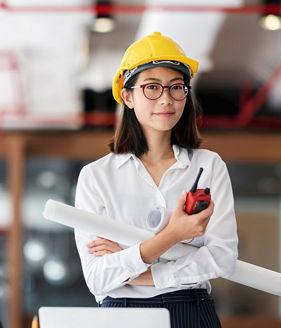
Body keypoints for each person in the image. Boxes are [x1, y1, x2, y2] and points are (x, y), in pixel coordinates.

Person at [75, 32, 238, 328]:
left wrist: (136, 267)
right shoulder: (96, 177)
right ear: (127, 95)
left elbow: (222, 257)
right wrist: (174, 235)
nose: (166, 99)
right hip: (120, 316)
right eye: (152, 87)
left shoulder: (209, 166)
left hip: (190, 312)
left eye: (176, 87)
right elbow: (98, 278)